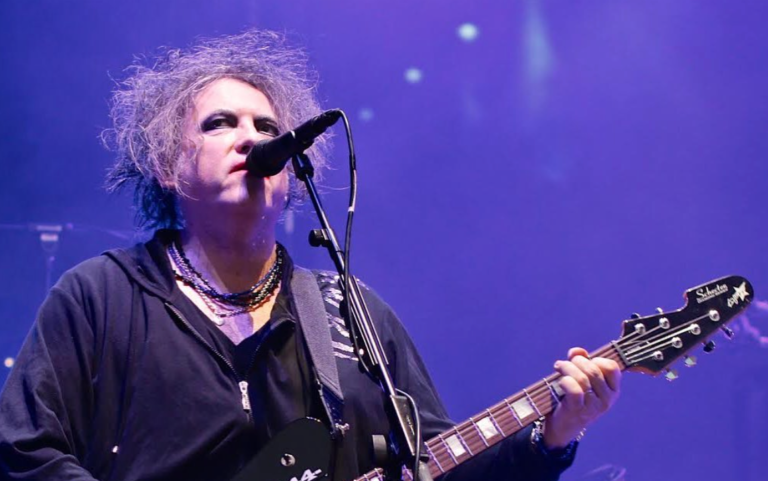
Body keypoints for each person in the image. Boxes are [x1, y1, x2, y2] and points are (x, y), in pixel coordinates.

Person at [0, 30, 621, 481]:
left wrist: (552, 436)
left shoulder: (349, 313)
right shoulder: (101, 296)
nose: (250, 138)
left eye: (267, 128)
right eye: (220, 123)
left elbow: (435, 464)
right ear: (167, 165)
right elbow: (23, 451)